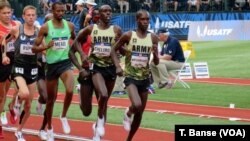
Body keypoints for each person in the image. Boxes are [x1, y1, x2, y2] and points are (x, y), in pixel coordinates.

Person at [69, 4, 122, 141]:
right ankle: (81, 92)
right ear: (97, 15)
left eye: (110, 10)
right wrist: (82, 61)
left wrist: (120, 50)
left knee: (103, 100)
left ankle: (97, 134)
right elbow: (72, 49)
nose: (108, 13)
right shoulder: (90, 30)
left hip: (109, 70)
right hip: (90, 69)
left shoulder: (116, 30)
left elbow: (121, 50)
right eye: (104, 11)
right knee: (86, 111)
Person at [110, 9, 159, 141]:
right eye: (143, 19)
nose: (145, 22)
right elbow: (113, 50)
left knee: (140, 113)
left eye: (147, 19)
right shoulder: (128, 35)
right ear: (137, 20)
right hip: (131, 76)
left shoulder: (153, 37)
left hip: (145, 78)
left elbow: (156, 61)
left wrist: (156, 54)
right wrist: (117, 66)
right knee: (136, 105)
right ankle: (128, 112)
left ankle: (129, 139)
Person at [32, 2, 76, 141]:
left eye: (63, 11)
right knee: (51, 100)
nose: (61, 13)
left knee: (70, 90)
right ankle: (49, 128)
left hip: (65, 63)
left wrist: (76, 49)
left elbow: (75, 39)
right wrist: (46, 47)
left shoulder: (69, 25)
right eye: (58, 11)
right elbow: (34, 48)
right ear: (53, 11)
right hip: (51, 66)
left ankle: (63, 116)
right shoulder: (45, 27)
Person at [7, 5, 40, 141]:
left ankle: (19, 131)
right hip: (18, 67)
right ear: (23, 16)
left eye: (33, 15)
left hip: (33, 69)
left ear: (36, 17)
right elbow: (4, 40)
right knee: (24, 93)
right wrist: (4, 54)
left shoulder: (39, 32)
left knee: (28, 105)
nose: (31, 17)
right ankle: (15, 103)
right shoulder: (16, 30)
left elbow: (42, 47)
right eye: (28, 15)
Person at [0, 1, 20, 138]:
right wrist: (4, 54)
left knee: (21, 88)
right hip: (3, 61)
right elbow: (2, 43)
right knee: (3, 93)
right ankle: (1, 117)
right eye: (4, 13)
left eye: (9, 12)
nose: (7, 15)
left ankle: (12, 106)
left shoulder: (17, 24)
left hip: (16, 60)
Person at [36, 13, 53, 141]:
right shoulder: (40, 35)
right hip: (40, 72)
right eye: (49, 21)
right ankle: (44, 129)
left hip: (53, 73)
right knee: (47, 97)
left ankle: (43, 128)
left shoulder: (57, 37)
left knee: (49, 100)